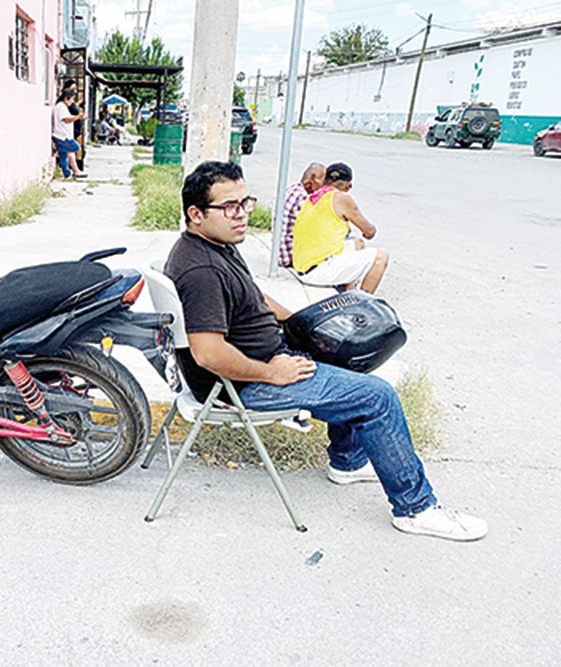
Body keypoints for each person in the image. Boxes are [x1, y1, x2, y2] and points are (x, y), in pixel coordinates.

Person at [164, 160, 487, 541]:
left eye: (245, 201)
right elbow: (208, 354)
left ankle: (348, 462)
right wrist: (273, 372)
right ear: (195, 214)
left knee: (349, 352)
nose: (242, 214)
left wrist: (300, 322)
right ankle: (415, 508)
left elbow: (253, 297)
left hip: (263, 356)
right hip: (242, 382)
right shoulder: (201, 271)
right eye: (230, 206)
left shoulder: (215, 243)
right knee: (377, 396)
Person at [292, 162, 388, 293]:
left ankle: (347, 293)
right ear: (347, 185)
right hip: (318, 271)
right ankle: (360, 304)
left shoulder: (313, 197)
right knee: (380, 256)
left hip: (303, 267)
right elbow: (369, 231)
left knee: (357, 244)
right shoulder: (341, 198)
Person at [278, 163, 325, 268]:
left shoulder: (292, 190)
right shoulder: (303, 199)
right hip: (290, 256)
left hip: (281, 252)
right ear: (312, 181)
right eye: (322, 183)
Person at [52, 87, 86, 180]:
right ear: (66, 98)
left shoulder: (62, 107)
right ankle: (74, 171)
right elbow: (66, 119)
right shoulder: (61, 107)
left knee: (63, 155)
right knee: (76, 147)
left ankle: (67, 174)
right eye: (71, 99)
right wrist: (77, 117)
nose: (72, 102)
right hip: (63, 136)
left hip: (62, 135)